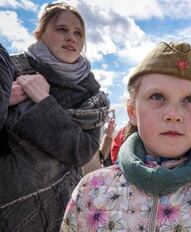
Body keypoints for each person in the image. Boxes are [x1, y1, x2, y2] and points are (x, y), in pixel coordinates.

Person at [61, 42, 191, 231]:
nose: (174, 114)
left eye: (189, 99)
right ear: (132, 111)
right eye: (157, 97)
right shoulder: (93, 189)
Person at [0, 3, 109, 231]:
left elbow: (82, 151)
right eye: (62, 29)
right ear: (39, 35)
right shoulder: (9, 68)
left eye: (78, 33)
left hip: (61, 207)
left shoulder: (92, 94)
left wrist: (44, 103)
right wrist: (4, 99)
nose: (71, 37)